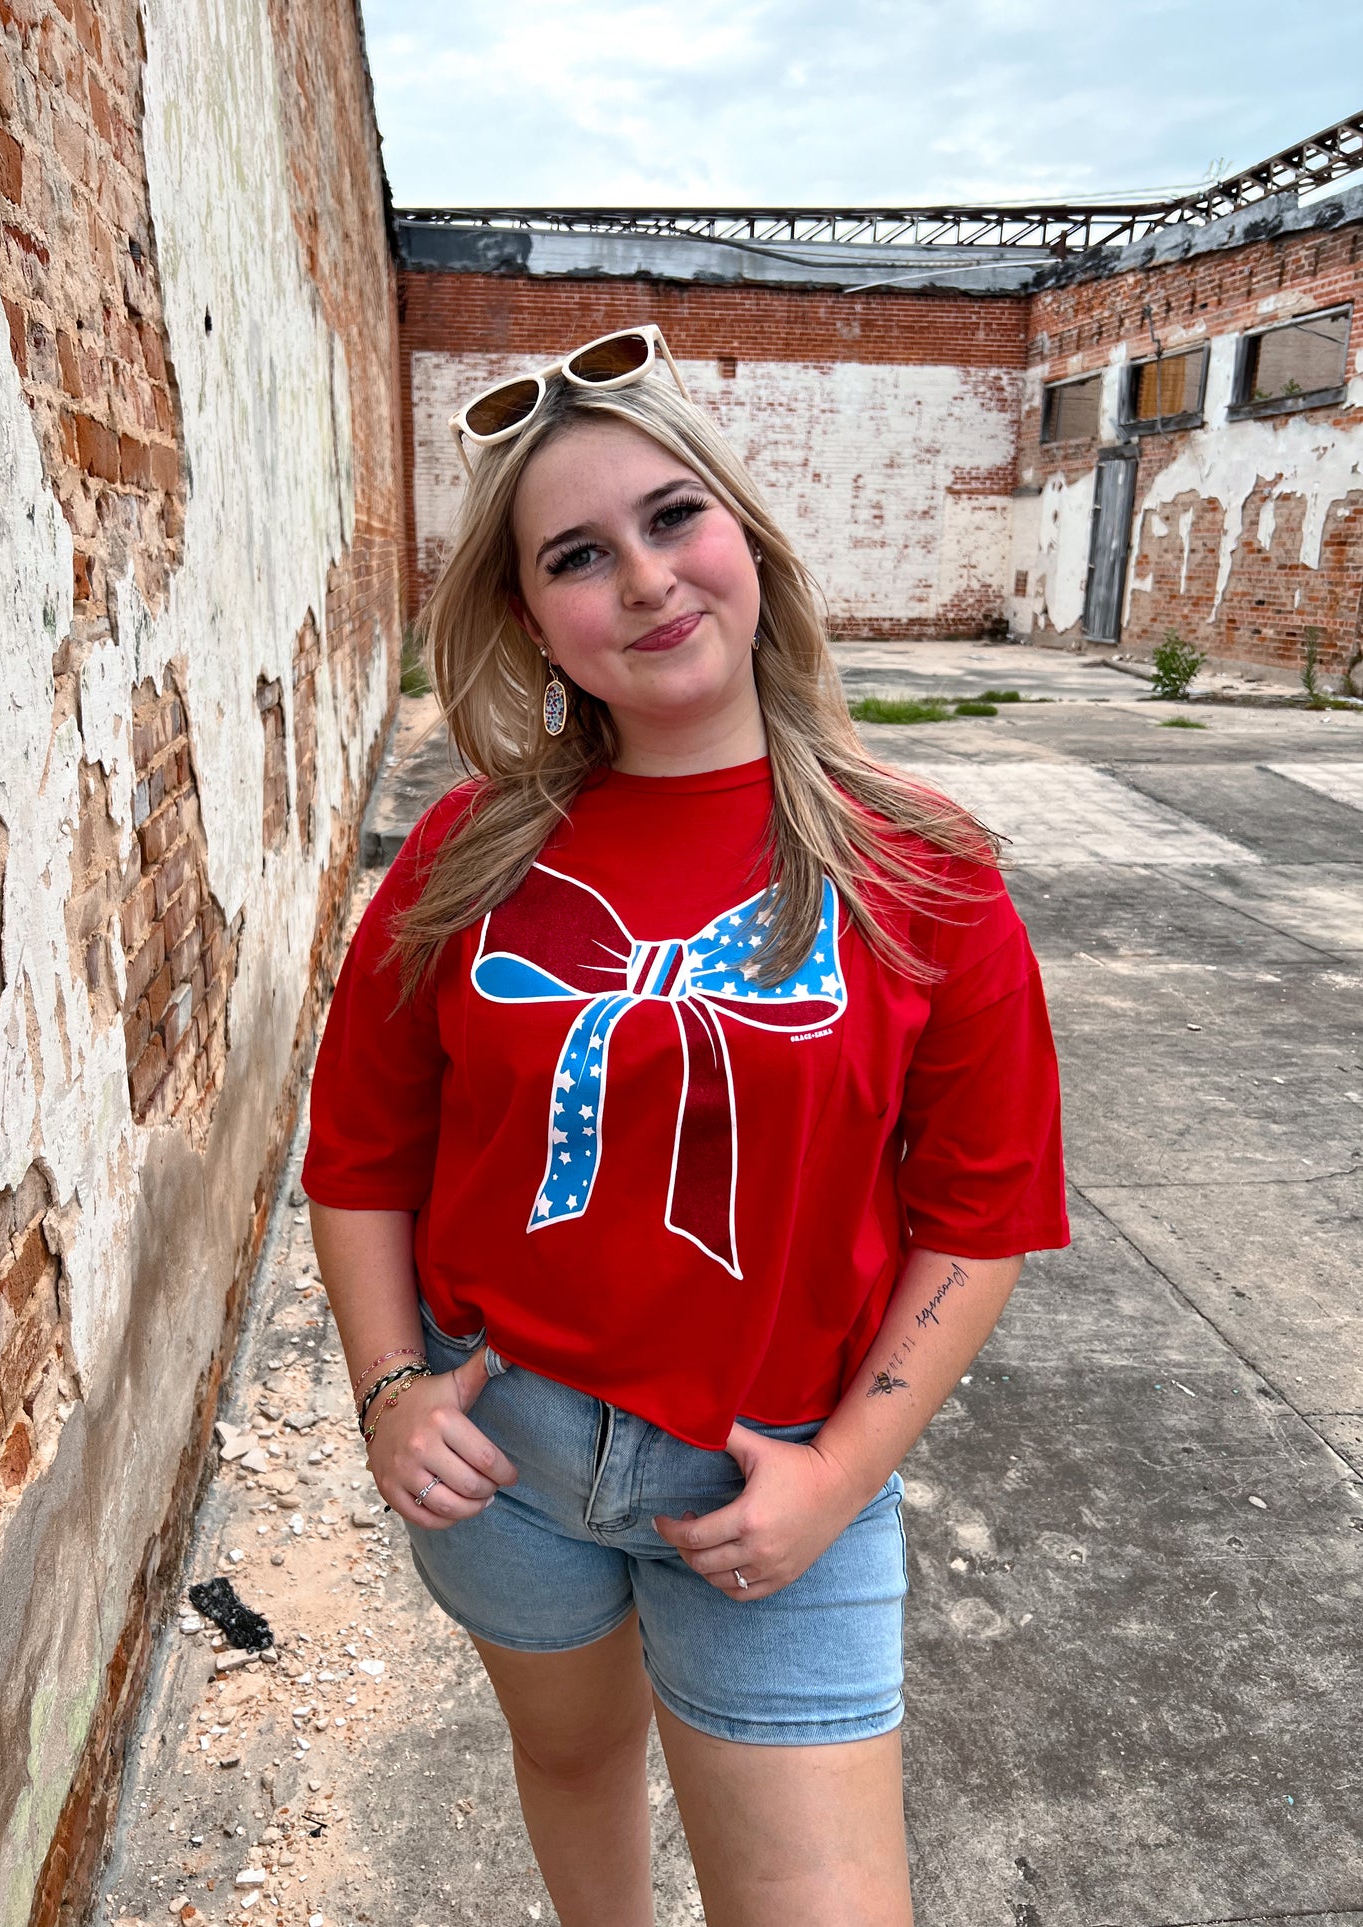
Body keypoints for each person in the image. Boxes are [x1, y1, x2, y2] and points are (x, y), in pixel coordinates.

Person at [302, 325, 1069, 1927]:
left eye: (671, 519)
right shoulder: (464, 850)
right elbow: (362, 1159)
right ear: (532, 620)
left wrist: (840, 1472)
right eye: (578, 555)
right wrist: (388, 1390)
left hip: (773, 1475)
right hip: (500, 1460)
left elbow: (981, 1214)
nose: (644, 580)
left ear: (743, 539)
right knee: (572, 1767)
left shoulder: (917, 865)